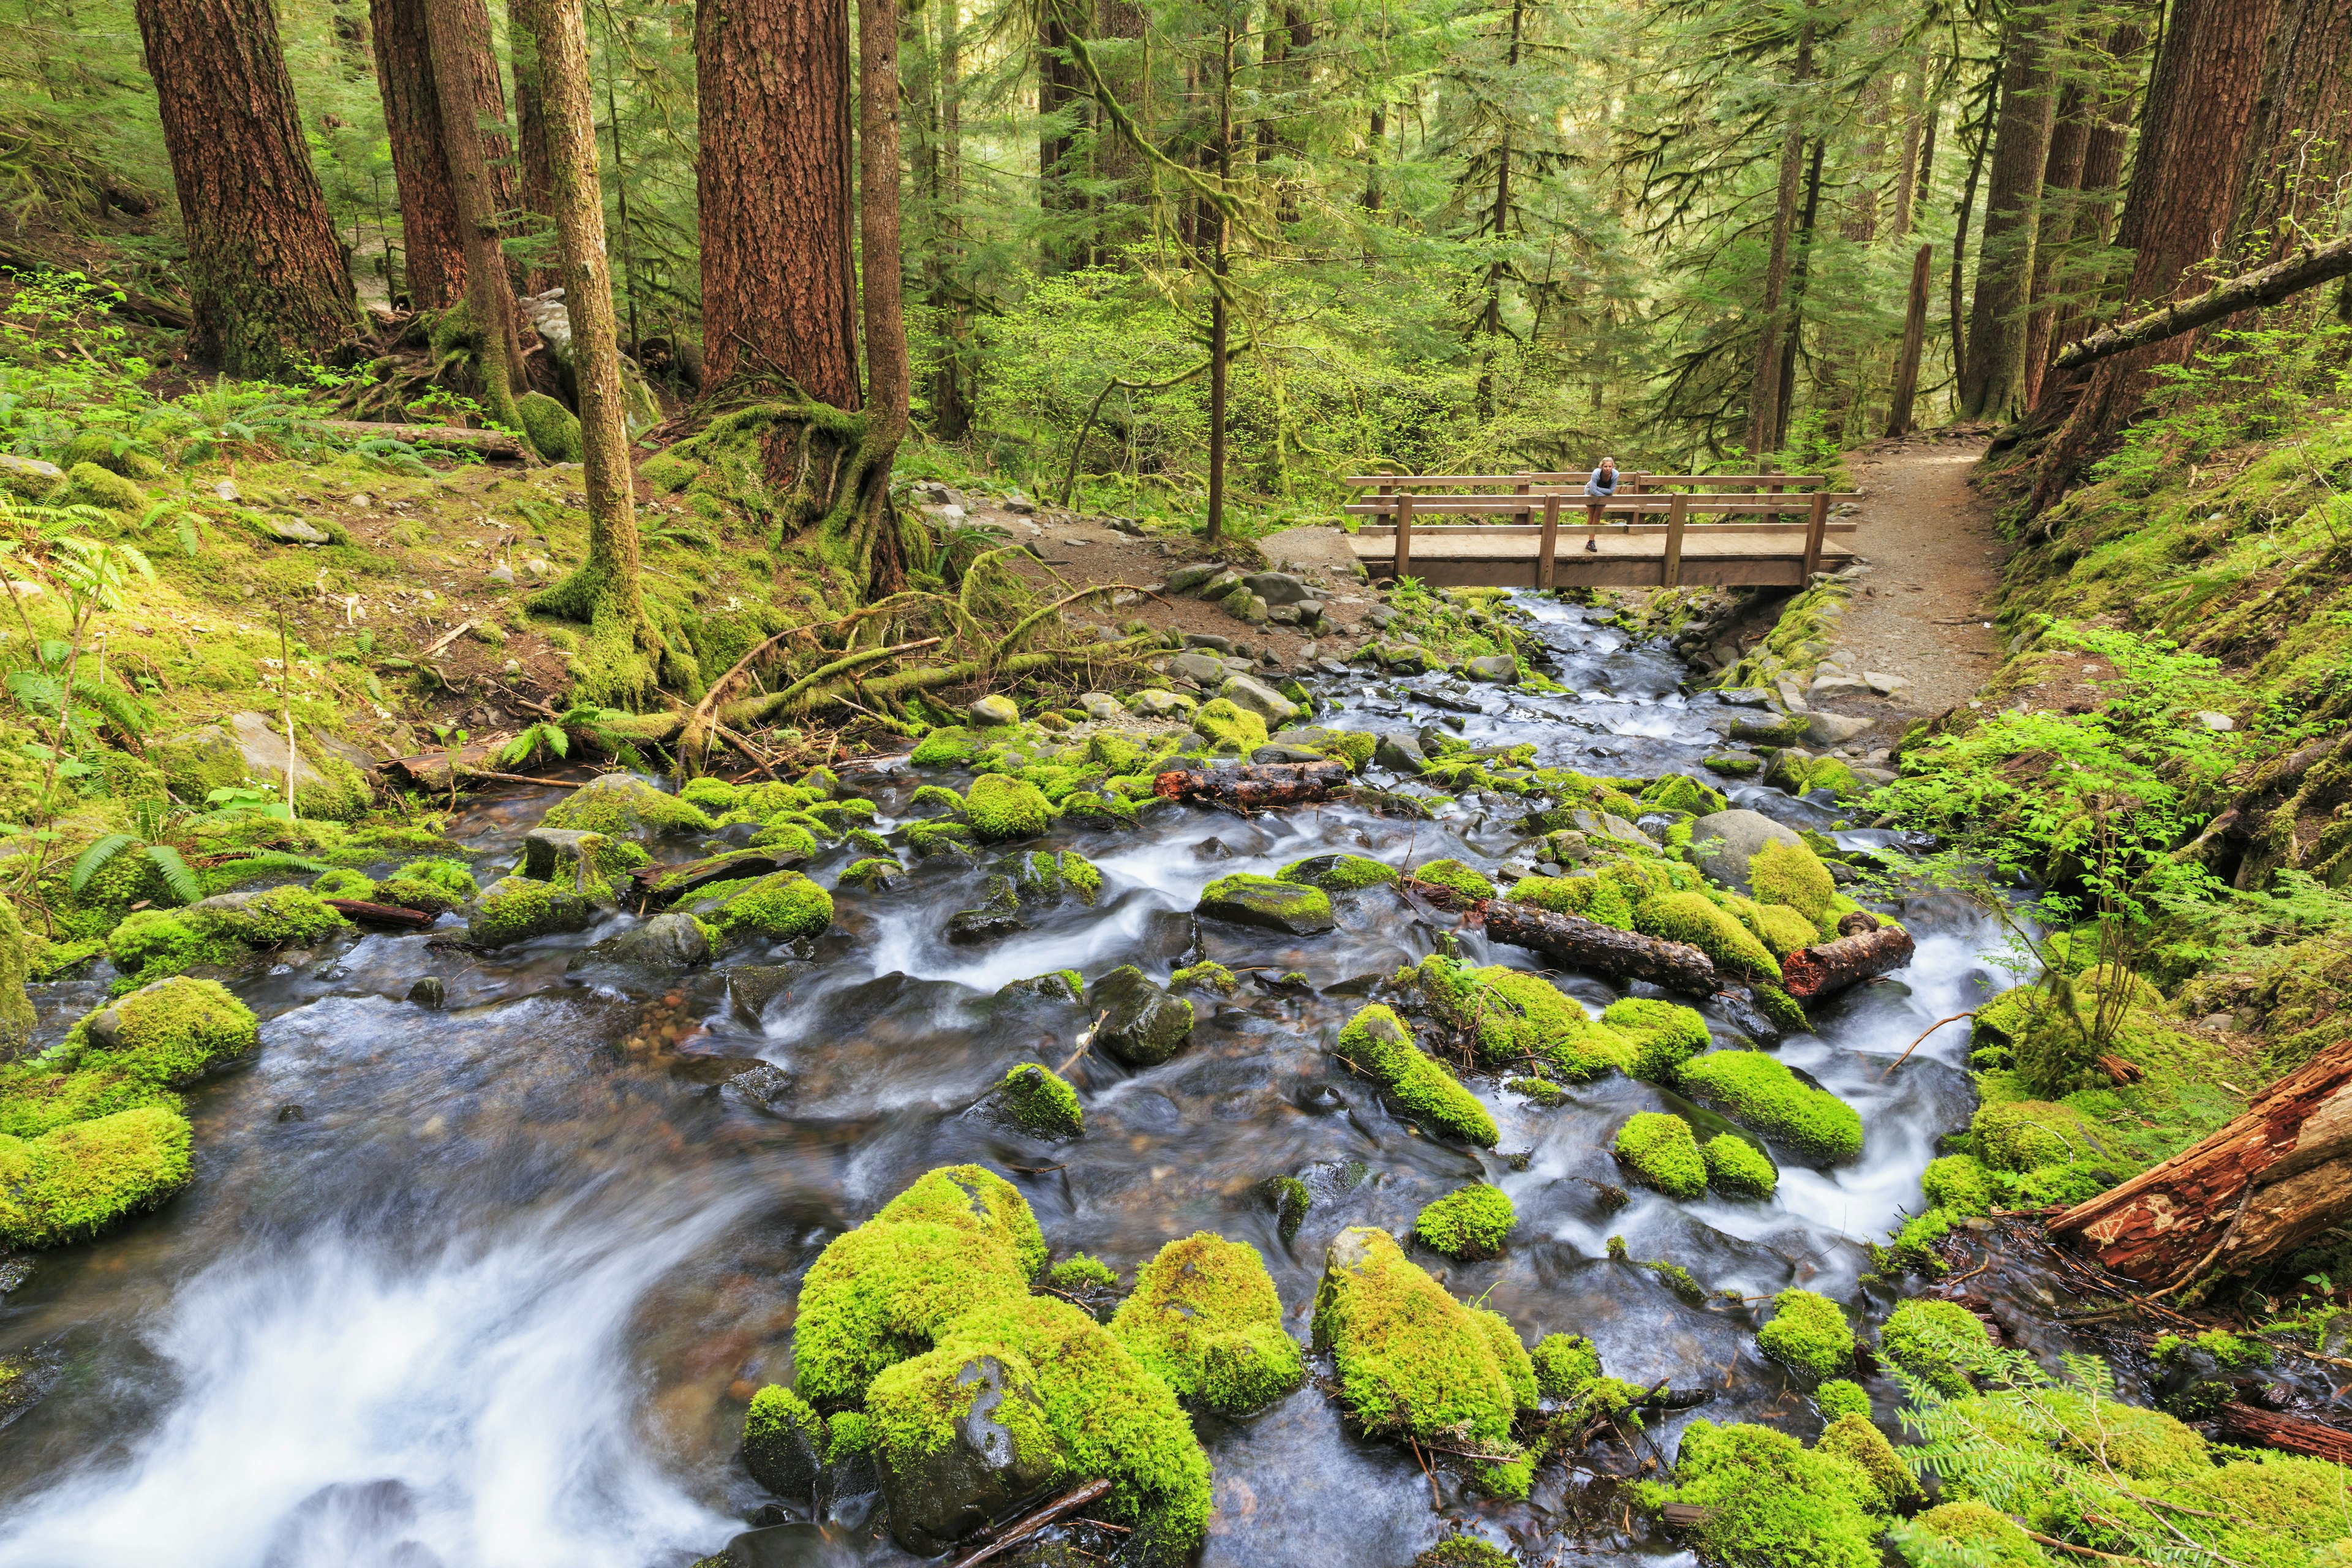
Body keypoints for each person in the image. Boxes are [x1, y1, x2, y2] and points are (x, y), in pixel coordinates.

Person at [1582, 457, 1619, 551]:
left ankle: (1592, 540)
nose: (1608, 469)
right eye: (1605, 466)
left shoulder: (1615, 474)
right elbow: (1593, 491)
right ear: (1601, 466)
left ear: (1613, 467)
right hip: (1590, 493)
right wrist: (1604, 492)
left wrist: (1598, 489)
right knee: (1591, 516)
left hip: (1603, 495)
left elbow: (1611, 491)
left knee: (1597, 516)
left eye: (1610, 466)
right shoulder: (1596, 473)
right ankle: (1590, 541)